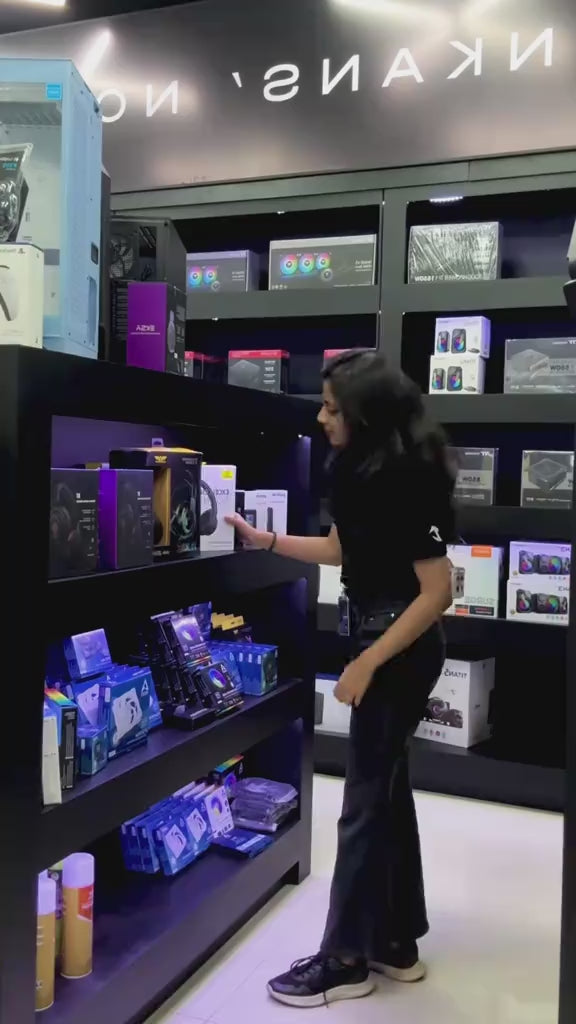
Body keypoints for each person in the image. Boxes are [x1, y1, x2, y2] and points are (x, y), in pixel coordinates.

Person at [227, 350, 455, 1009]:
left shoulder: (410, 480)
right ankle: (396, 941)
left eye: (332, 408)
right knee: (386, 795)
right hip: (376, 639)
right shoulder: (360, 470)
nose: (321, 417)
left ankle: (345, 959)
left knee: (361, 805)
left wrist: (366, 663)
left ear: (365, 415)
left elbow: (437, 592)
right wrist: (266, 541)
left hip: (399, 649)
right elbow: (340, 550)